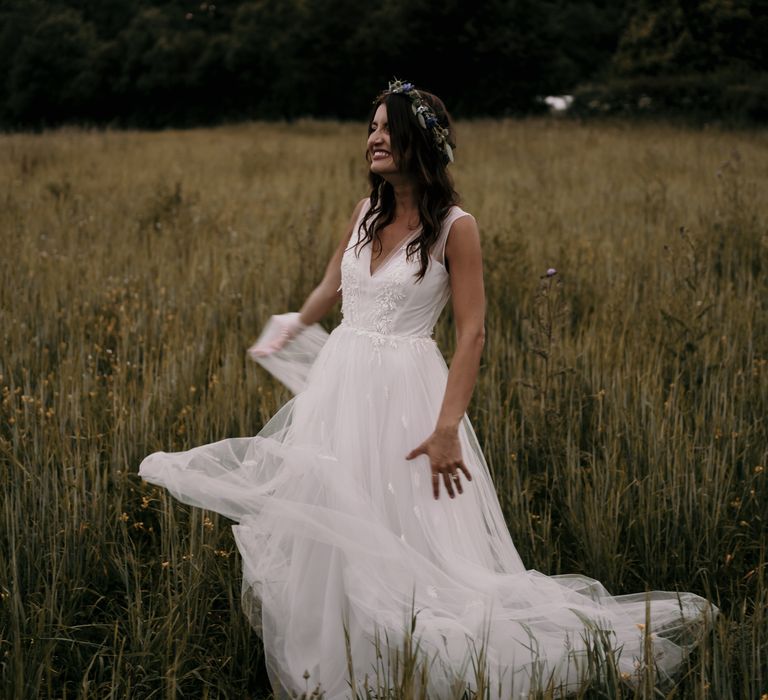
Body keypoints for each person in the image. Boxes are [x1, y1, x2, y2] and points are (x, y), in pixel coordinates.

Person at [139, 80, 714, 698]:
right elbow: (333, 284)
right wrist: (294, 325)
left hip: (408, 397)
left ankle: (412, 665)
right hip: (341, 386)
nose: (375, 139)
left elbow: (472, 335)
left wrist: (446, 428)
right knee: (335, 526)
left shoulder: (455, 229)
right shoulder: (365, 213)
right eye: (371, 128)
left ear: (423, 141)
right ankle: (340, 662)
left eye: (388, 128)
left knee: (408, 537)